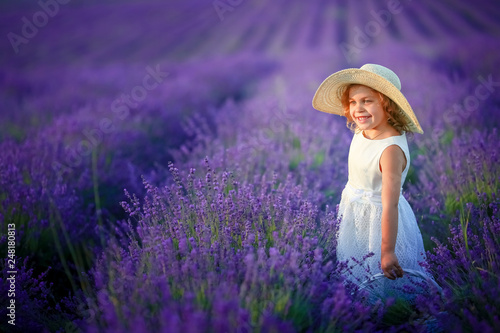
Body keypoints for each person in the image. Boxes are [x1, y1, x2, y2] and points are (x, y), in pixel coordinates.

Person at [312, 64, 429, 296]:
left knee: (381, 274)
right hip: (354, 211)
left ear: (388, 104)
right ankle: (361, 305)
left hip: (380, 219)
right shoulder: (362, 130)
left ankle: (395, 312)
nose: (358, 109)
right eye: (353, 102)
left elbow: (390, 204)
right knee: (356, 264)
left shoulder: (390, 150)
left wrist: (387, 250)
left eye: (367, 101)